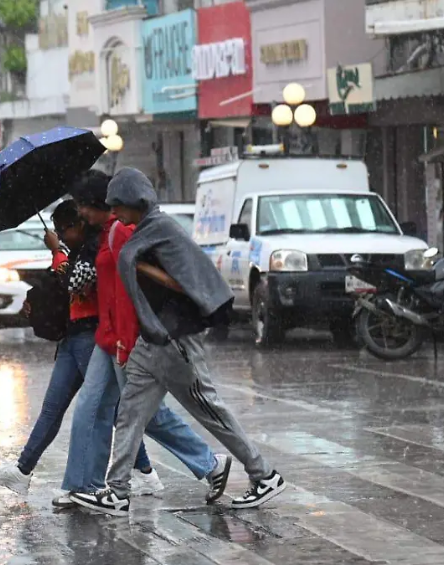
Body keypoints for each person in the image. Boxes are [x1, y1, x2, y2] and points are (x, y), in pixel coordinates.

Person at [70, 168, 286, 517]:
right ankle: (118, 491)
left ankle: (264, 475)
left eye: (120, 206)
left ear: (134, 202)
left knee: (210, 411)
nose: (116, 213)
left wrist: (142, 267)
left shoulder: (162, 230)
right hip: (151, 338)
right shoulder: (142, 230)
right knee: (129, 413)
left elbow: (188, 282)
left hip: (176, 339)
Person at [0, 200, 156, 506]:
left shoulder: (92, 245)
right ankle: (23, 471)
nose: (61, 235)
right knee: (57, 408)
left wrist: (56, 252)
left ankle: (145, 470)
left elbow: (76, 282)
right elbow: (61, 283)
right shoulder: (78, 248)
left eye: (65, 230)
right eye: (59, 231)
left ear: (79, 223)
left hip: (90, 335)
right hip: (72, 335)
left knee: (112, 410)